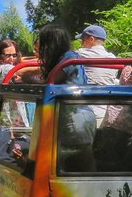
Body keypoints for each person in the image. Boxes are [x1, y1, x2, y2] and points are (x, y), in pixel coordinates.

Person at [38, 24, 96, 172]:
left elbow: (51, 82)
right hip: (74, 116)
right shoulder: (67, 57)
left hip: (75, 119)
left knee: (80, 166)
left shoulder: (68, 58)